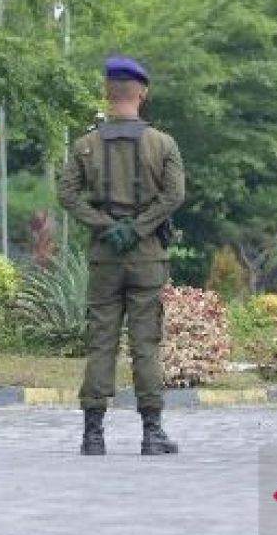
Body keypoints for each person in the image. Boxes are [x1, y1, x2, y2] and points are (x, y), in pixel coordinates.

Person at [59, 56, 184, 456]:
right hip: (147, 258)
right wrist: (139, 227)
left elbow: (67, 195)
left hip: (104, 258)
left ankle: (92, 434)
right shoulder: (163, 144)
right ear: (142, 94)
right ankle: (152, 432)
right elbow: (174, 195)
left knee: (102, 344)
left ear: (107, 94)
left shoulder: (84, 145)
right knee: (146, 344)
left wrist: (105, 226)